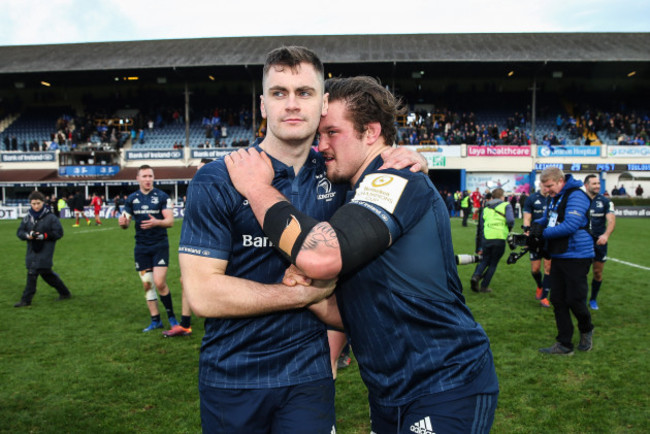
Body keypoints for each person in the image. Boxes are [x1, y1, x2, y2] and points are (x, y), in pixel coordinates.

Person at [225, 76, 498, 433]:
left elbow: (321, 258)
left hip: (446, 385)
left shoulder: (397, 179)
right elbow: (362, 308)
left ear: (371, 132)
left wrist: (256, 188)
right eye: (318, 135)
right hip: (390, 394)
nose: (320, 145)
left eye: (332, 133)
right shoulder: (351, 194)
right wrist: (308, 295)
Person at [178, 47, 426, 433]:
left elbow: (367, 282)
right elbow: (203, 294)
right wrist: (299, 295)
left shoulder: (342, 175)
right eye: (279, 93)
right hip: (232, 377)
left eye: (304, 92)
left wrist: (409, 161)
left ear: (324, 103)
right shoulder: (218, 178)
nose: (292, 104)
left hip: (308, 379)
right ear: (262, 105)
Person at [533, 167, 595, 355]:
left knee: (575, 299)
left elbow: (570, 225)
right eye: (544, 188)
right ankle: (564, 344)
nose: (547, 191)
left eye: (550, 186)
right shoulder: (556, 196)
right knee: (558, 299)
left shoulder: (577, 195)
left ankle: (586, 329)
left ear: (561, 181)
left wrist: (541, 235)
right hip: (560, 253)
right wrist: (535, 225)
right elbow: (550, 217)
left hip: (577, 255)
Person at [119, 165, 179, 332]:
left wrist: (157, 222)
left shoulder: (162, 196)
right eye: (144, 176)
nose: (147, 179)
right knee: (147, 285)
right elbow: (126, 222)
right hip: (141, 247)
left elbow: (170, 222)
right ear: (137, 178)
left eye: (150, 176)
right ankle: (156, 320)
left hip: (159, 245)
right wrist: (123, 223)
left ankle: (171, 317)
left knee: (159, 282)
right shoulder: (131, 199)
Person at [163, 158, 214, 338]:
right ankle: (185, 325)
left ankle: (221, 322)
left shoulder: (222, 192)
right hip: (197, 242)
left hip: (218, 247)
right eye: (197, 170)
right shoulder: (196, 191)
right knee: (186, 280)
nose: (198, 174)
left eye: (202, 170)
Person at [14, 191, 71, 307]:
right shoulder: (27, 218)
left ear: (43, 203)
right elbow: (20, 232)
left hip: (45, 250)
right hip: (31, 251)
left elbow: (59, 233)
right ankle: (65, 293)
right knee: (47, 274)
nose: (36, 206)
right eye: (33, 203)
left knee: (33, 272)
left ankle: (26, 300)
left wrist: (43, 236)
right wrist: (27, 236)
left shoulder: (51, 218)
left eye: (38, 203)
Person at [470, 187, 515, 293]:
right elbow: (511, 220)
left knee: (485, 259)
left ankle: (476, 276)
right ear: (502, 196)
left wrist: (479, 244)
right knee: (493, 263)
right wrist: (509, 228)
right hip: (499, 237)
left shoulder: (485, 208)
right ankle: (484, 286)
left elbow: (481, 227)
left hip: (487, 237)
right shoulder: (506, 205)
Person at [584, 174, 616, 310]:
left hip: (599, 242)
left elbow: (611, 220)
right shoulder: (579, 200)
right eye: (594, 183)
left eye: (598, 183)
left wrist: (606, 235)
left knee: (597, 272)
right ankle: (579, 299)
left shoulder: (605, 201)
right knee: (581, 272)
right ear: (586, 185)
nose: (597, 186)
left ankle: (593, 299)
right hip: (583, 241)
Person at [523, 187, 552, 307]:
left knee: (548, 267)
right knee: (535, 269)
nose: (547, 188)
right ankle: (540, 286)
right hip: (535, 237)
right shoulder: (532, 198)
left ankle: (544, 297)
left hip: (550, 236)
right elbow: (527, 217)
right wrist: (526, 231)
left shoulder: (554, 198)